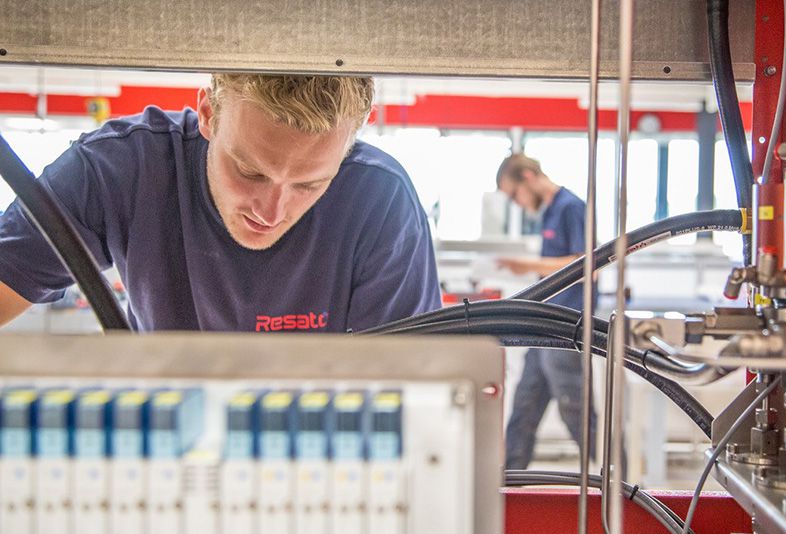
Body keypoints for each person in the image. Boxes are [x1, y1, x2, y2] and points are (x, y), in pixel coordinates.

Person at [0, 74, 441, 331]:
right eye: (249, 172)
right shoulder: (119, 169)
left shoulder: (380, 200)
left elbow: (421, 395)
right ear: (208, 113)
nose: (270, 211)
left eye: (309, 184)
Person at [495, 154, 596, 469]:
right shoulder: (550, 212)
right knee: (524, 408)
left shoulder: (571, 208)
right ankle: (509, 485)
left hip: (568, 329)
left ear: (527, 177)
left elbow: (588, 266)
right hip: (543, 328)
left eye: (515, 195)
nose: (518, 203)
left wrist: (526, 265)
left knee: (575, 410)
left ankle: (615, 481)